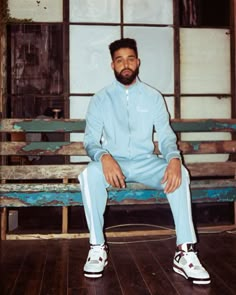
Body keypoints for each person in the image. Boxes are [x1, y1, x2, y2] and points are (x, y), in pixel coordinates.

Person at [79, 38, 210, 284]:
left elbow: (167, 136)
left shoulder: (152, 96)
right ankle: (97, 247)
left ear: (138, 62)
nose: (125, 64)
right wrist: (104, 156)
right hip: (114, 163)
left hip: (145, 162)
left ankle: (185, 252)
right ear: (112, 65)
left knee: (180, 173)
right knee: (88, 175)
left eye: (130, 59)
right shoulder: (100, 99)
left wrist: (173, 158)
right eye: (120, 60)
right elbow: (90, 141)